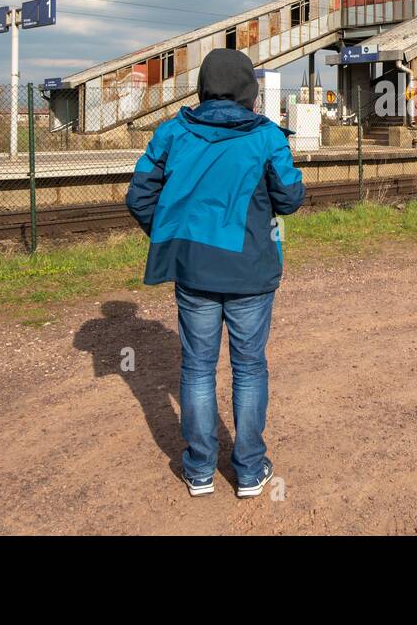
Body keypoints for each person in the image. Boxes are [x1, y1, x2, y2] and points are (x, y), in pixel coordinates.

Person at [125, 48, 305, 498]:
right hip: (251, 272)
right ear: (249, 91)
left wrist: (173, 233)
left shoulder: (172, 133)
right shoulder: (266, 136)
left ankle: (200, 470)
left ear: (203, 87)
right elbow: (290, 198)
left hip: (193, 271)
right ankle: (248, 471)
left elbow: (138, 195)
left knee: (198, 369)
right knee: (248, 368)